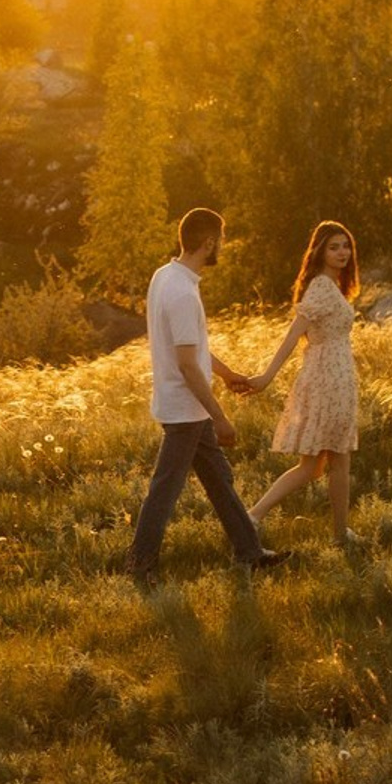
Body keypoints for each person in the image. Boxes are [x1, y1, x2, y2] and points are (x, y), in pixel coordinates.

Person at [126, 208, 291, 588]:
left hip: (184, 405)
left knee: (219, 479)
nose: (224, 246)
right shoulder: (183, 293)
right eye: (222, 239)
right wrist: (219, 416)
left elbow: (192, 349)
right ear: (209, 242)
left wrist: (227, 374)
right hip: (186, 409)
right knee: (164, 489)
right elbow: (186, 364)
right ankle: (139, 565)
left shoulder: (165, 276)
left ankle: (249, 553)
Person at [245, 220, 362, 547]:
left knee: (313, 466)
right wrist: (267, 376)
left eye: (345, 246)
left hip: (333, 374)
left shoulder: (330, 285)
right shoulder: (322, 287)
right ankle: (341, 536)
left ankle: (252, 516)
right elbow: (294, 334)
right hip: (328, 378)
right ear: (320, 251)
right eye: (334, 246)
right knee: (337, 460)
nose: (342, 253)